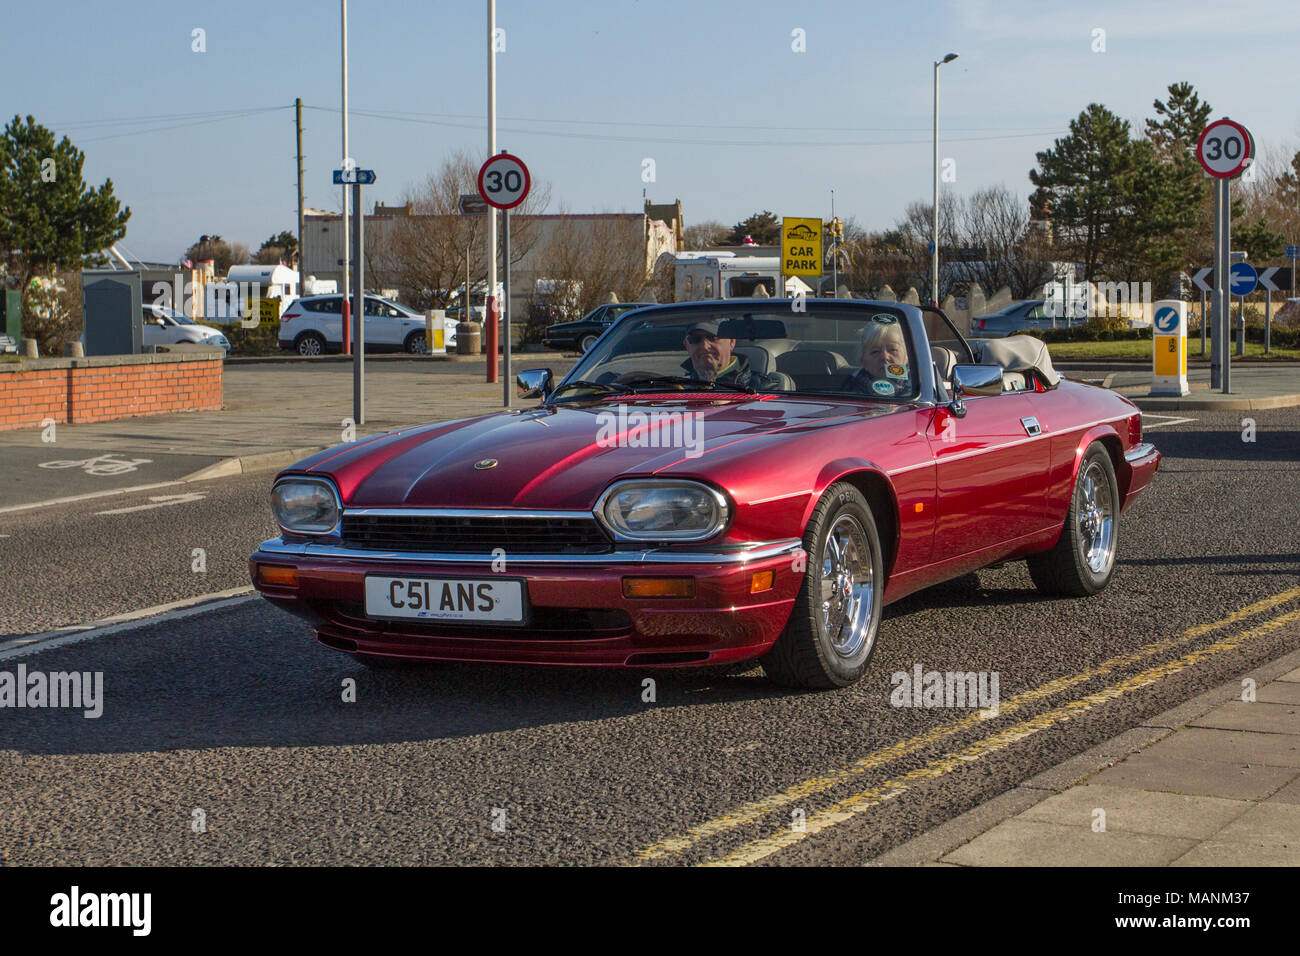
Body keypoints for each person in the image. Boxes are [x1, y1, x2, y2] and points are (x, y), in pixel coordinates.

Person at [677, 319, 778, 390]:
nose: (704, 345)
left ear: (731, 342)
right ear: (686, 345)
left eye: (712, 337)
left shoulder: (765, 390)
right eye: (695, 339)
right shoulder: (674, 391)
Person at [842, 316, 911, 397]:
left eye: (892, 350)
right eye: (875, 352)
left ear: (907, 357)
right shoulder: (852, 387)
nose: (884, 357)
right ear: (863, 360)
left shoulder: (919, 387)